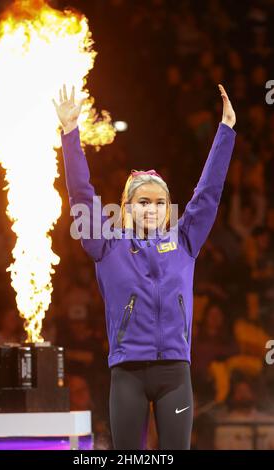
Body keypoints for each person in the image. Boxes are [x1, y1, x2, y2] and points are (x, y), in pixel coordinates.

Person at [52, 83, 236, 449]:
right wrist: (70, 134)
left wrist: (226, 130)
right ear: (126, 207)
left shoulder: (185, 241)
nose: (150, 208)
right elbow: (81, 194)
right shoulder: (106, 244)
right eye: (142, 201)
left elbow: (209, 192)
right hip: (127, 375)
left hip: (175, 375)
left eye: (158, 202)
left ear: (168, 209)